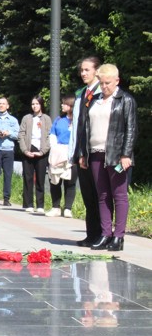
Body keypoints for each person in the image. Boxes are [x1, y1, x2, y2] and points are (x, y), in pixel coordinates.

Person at [78, 64, 136, 251]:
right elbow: (85, 128)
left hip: (116, 154)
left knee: (119, 196)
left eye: (108, 83)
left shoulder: (125, 100)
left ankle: (118, 237)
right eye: (101, 83)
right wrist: (83, 153)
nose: (104, 87)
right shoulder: (94, 100)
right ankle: (105, 234)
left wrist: (126, 154)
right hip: (95, 153)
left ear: (117, 81)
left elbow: (131, 130)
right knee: (102, 195)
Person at [70, 56, 103, 247]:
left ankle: (103, 233)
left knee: (100, 195)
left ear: (97, 71)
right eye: (81, 70)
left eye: (87, 70)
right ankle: (91, 234)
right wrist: (76, 152)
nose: (83, 73)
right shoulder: (83, 93)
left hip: (96, 150)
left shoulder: (102, 92)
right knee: (88, 196)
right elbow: (78, 125)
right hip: (83, 151)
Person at [18, 95, 52, 214]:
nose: (35, 106)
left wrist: (43, 151)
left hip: (41, 151)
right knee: (27, 178)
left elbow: (49, 136)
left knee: (40, 178)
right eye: (33, 104)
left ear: (41, 105)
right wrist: (25, 150)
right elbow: (21, 135)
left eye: (37, 104)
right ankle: (28, 203)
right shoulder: (26, 118)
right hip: (28, 149)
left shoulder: (46, 119)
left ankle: (40, 204)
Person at [47, 94, 77, 218]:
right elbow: (52, 135)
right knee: (55, 181)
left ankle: (68, 208)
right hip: (58, 152)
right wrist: (54, 148)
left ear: (71, 105)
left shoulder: (77, 120)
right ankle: (56, 207)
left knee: (70, 182)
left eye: (64, 103)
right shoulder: (59, 120)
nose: (62, 105)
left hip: (72, 153)